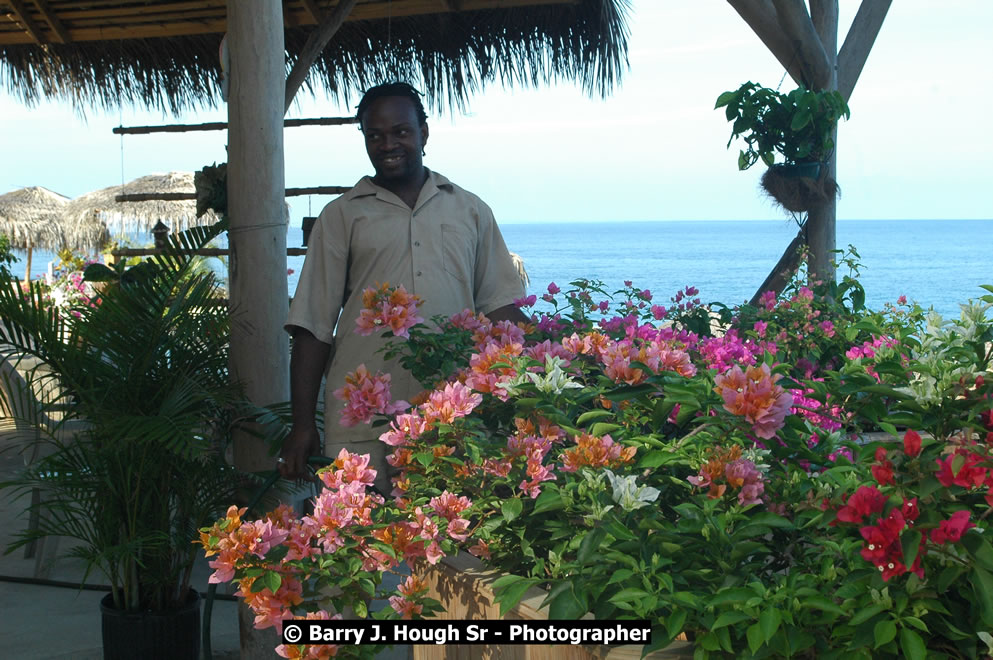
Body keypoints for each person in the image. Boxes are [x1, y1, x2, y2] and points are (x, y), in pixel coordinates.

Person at [279, 82, 527, 488]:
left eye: (401, 131)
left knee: (452, 542)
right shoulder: (340, 217)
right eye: (374, 135)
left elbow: (502, 309)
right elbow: (312, 326)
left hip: (453, 414)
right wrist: (302, 425)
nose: (387, 144)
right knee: (362, 543)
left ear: (423, 133)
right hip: (363, 417)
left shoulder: (470, 210)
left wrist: (550, 377)